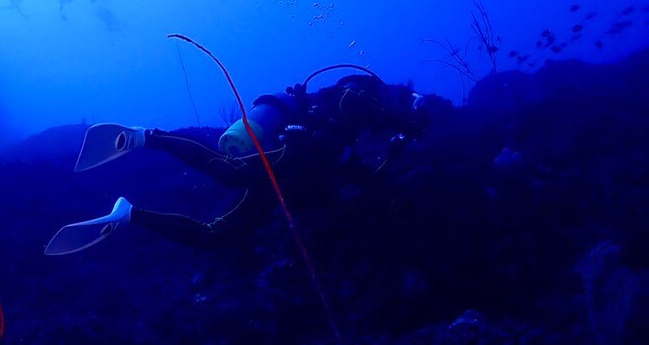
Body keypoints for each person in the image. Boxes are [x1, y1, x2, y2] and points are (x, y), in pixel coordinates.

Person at [45, 67, 435, 255]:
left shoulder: (368, 131)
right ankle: (145, 136)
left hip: (293, 183)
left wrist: (394, 151)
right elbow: (340, 109)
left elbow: (364, 178)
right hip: (293, 157)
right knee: (227, 172)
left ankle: (128, 214)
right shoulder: (364, 95)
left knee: (216, 236)